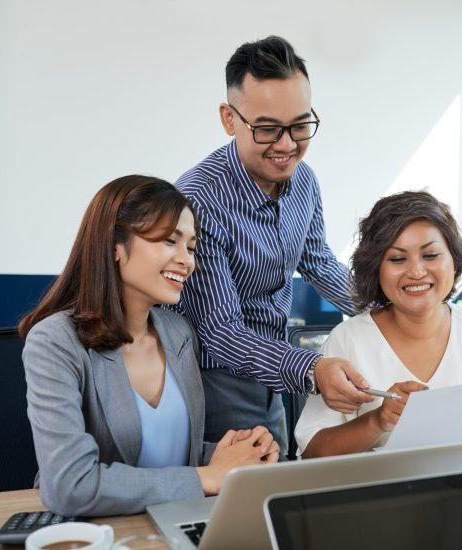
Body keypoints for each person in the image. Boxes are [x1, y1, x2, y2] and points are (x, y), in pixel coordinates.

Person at [19, 176, 280, 517]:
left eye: (191, 247)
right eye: (170, 241)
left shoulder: (178, 333)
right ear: (115, 246)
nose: (187, 261)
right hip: (100, 530)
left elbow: (171, 455)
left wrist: (238, 454)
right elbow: (70, 485)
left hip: (172, 520)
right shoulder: (55, 342)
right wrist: (208, 476)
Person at [173, 35, 372, 454]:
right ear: (229, 119)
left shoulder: (304, 180)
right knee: (237, 488)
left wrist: (383, 307)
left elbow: (317, 261)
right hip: (212, 378)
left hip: (273, 368)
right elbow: (220, 332)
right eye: (267, 129)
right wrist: (312, 369)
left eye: (300, 126)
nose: (286, 145)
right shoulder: (197, 200)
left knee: (276, 478)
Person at [295, 191, 462, 463]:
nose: (416, 272)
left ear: (454, 261)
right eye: (397, 259)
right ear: (376, 269)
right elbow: (312, 451)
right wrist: (377, 421)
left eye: (431, 255)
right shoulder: (347, 339)